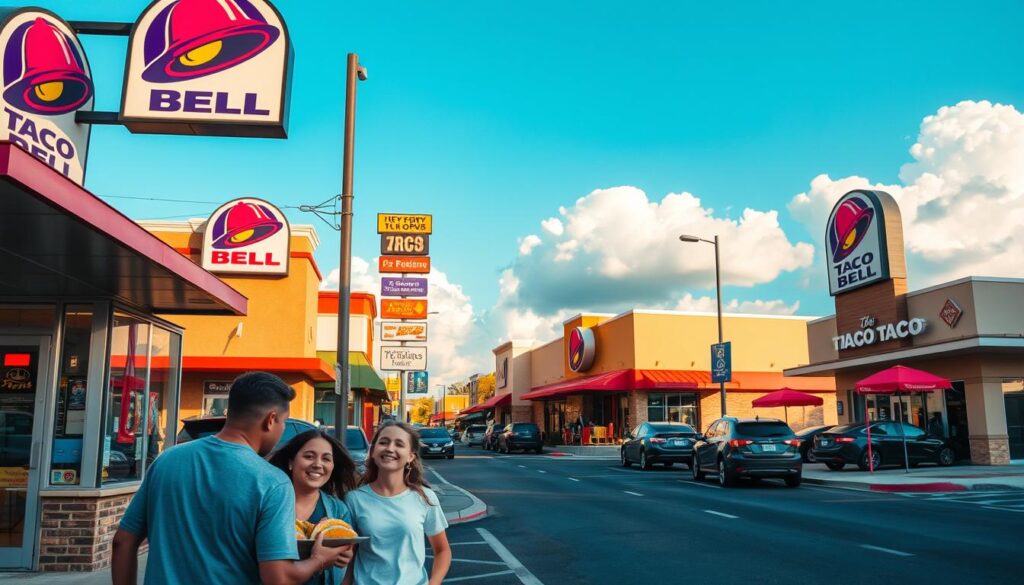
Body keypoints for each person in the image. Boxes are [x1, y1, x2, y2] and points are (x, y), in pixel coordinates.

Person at [112, 372, 350, 585]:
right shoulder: (272, 482)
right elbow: (278, 578)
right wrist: (319, 560)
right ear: (271, 419)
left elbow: (123, 542)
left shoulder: (167, 460)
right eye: (283, 423)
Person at [343, 422, 451, 585]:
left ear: (410, 456)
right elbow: (349, 557)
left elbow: (442, 551)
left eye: (399, 444)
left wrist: (433, 583)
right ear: (373, 451)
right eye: (383, 442)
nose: (390, 448)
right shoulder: (354, 499)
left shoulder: (425, 497)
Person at [269, 429, 358, 585]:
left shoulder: (339, 510)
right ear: (291, 462)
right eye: (309, 456)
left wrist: (346, 555)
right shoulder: (269, 503)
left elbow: (348, 567)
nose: (318, 464)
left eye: (326, 459)